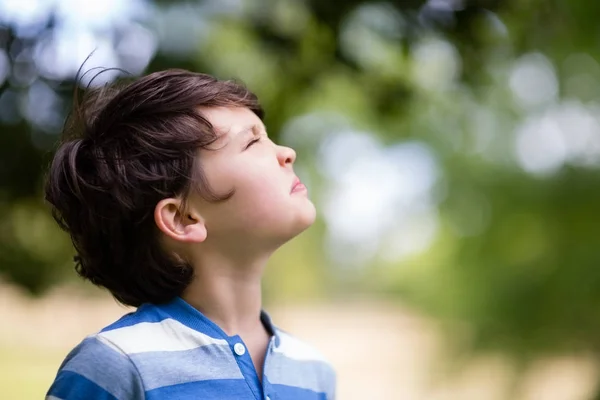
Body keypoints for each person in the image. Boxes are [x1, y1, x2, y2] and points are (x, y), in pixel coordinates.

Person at [44, 69, 336, 400]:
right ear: (183, 218)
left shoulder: (312, 373)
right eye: (253, 142)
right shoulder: (114, 367)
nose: (287, 153)